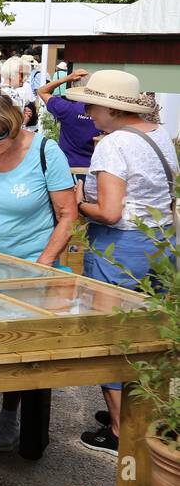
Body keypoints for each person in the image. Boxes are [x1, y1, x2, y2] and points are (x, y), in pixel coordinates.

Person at [0, 93, 77, 453]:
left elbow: (68, 214)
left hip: (27, 268)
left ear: (17, 124)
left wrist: (43, 264)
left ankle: (10, 417)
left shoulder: (45, 152)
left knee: (17, 349)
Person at [70, 72, 178, 455]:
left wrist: (80, 203)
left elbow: (111, 212)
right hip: (162, 241)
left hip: (121, 246)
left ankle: (119, 430)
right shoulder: (156, 133)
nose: (86, 112)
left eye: (92, 105)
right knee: (154, 333)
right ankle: (145, 414)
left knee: (112, 335)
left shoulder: (113, 144)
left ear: (112, 107)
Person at [36, 67, 100, 177]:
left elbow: (42, 91)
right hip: (94, 169)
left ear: (73, 88)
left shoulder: (66, 108)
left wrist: (67, 78)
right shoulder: (102, 113)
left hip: (68, 168)